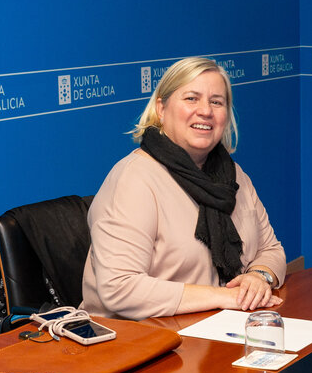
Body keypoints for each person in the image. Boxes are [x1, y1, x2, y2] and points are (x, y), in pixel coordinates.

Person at [82, 57, 286, 320]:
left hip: (214, 331)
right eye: (191, 98)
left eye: (216, 101)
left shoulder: (233, 176)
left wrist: (259, 277)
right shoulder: (134, 179)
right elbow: (119, 287)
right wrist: (222, 296)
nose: (205, 111)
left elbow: (271, 250)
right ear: (161, 108)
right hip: (140, 342)